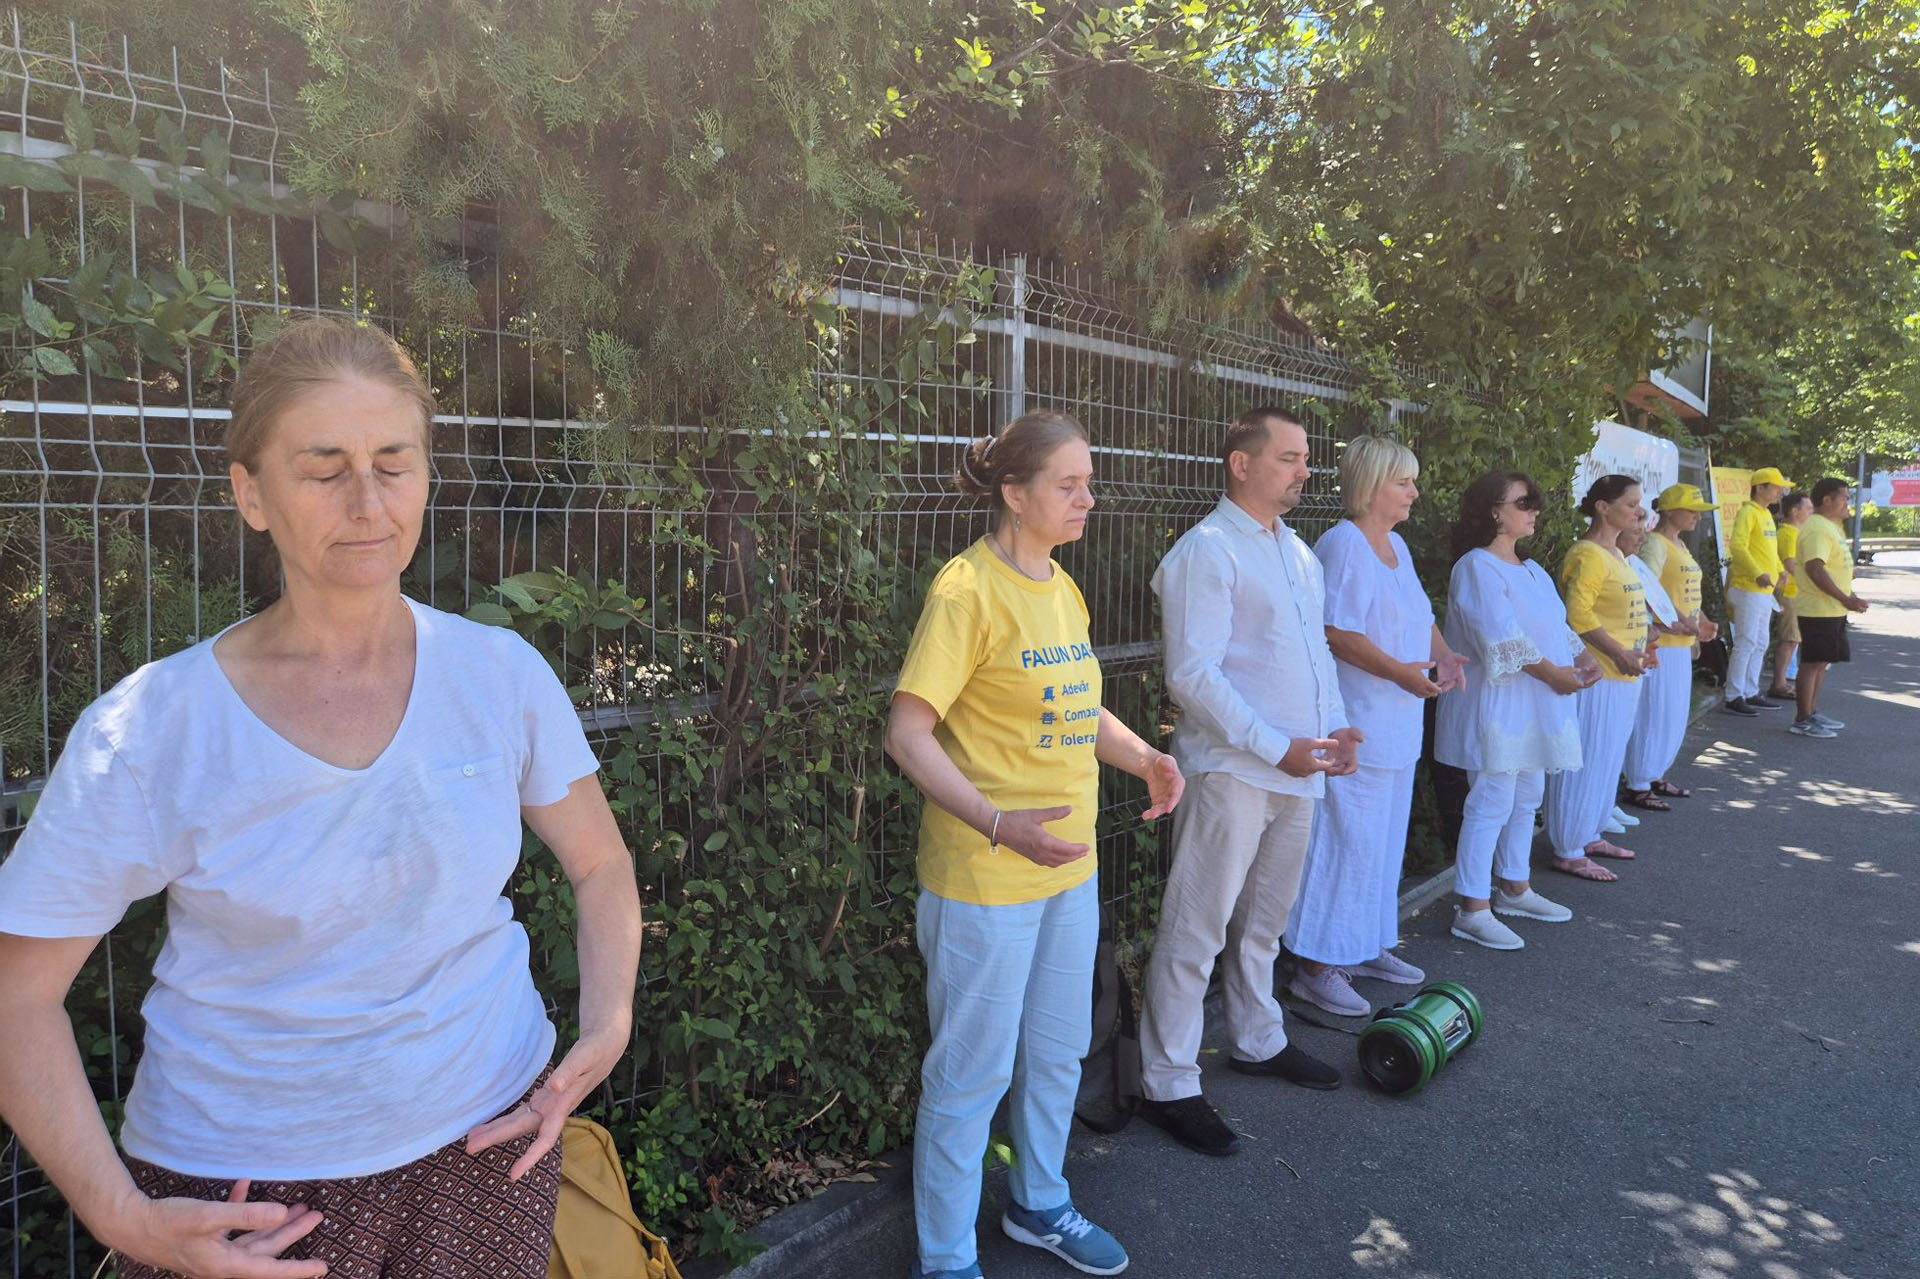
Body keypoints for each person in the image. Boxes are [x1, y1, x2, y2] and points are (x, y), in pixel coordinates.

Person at [0, 317, 643, 1279]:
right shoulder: (154, 729)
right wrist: (120, 1216)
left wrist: (607, 1025)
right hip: (245, 1199)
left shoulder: (498, 674)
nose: (367, 501)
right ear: (251, 493)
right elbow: (16, 996)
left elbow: (601, 864)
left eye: (393, 462)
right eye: (323, 468)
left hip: (490, 1150)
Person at [884, 409, 1183, 1279]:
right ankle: (945, 1258)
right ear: (1015, 494)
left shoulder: (1060, 586)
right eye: (1070, 484)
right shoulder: (965, 592)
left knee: (1056, 1053)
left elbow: (1077, 704)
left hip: (1068, 871)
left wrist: (1145, 757)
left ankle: (1039, 1203)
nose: (1089, 498)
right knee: (970, 1075)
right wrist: (997, 822)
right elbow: (907, 734)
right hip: (983, 878)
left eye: (1089, 482)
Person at [1137, 406, 1362, 1158]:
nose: (1305, 470)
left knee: (1265, 921)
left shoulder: (1296, 552)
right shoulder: (1207, 550)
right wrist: (1276, 747)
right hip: (1233, 770)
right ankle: (1168, 1081)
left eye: (1305, 458)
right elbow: (1192, 674)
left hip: (1298, 769)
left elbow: (1313, 655)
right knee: (1196, 927)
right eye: (1289, 457)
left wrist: (1337, 730)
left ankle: (1259, 1038)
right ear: (1242, 463)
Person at [1285, 436, 1467, 1015]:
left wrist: (1444, 656)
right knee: (1345, 844)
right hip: (1356, 725)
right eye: (1403, 482)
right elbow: (1338, 634)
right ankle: (1315, 966)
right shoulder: (1344, 543)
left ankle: (1361, 946)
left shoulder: (1396, 544)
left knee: (1381, 847)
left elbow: (1421, 617)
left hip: (1397, 725)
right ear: (1370, 485)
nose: (1414, 492)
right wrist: (1403, 675)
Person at [1434, 471, 1593, 950]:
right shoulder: (1476, 567)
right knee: (1491, 800)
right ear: (1493, 511)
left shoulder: (1532, 568)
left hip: (1534, 703)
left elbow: (1554, 626)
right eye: (1524, 502)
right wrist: (1556, 675)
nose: (1534, 510)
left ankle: (1515, 887)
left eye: (1534, 502)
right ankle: (1472, 907)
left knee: (1527, 795)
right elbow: (1500, 639)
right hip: (1498, 704)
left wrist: (1581, 657)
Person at [1542, 474, 1653, 883]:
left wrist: (1642, 644)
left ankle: (1588, 833)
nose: (1639, 513)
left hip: (1623, 677)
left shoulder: (1616, 553)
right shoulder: (1588, 554)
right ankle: (1568, 847)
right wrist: (1619, 653)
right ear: (1604, 508)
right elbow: (1578, 614)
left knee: (1607, 759)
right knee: (1587, 759)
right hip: (1599, 677)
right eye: (1631, 504)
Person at [1623, 484, 1720, 806]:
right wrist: (1676, 620)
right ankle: (1639, 781)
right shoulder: (1655, 544)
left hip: (1680, 642)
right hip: (1661, 644)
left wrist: (1701, 620)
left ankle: (1655, 773)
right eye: (1691, 510)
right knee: (1655, 712)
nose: (1697, 517)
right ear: (1669, 510)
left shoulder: (1679, 544)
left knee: (1673, 713)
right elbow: (1645, 589)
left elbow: (1685, 593)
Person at [1788, 478, 1869, 739]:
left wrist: (1850, 597)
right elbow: (1815, 568)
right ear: (1827, 500)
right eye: (1845, 498)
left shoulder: (1830, 527)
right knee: (1812, 662)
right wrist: (1845, 599)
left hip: (1832, 608)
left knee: (1822, 662)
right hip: (1817, 608)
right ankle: (1802, 719)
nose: (1848, 503)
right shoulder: (1817, 528)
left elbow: (1834, 569)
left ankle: (1811, 712)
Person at [1724, 465, 1791, 713]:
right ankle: (1734, 696)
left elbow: (1768, 551)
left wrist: (1780, 569)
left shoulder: (1765, 514)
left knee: (1760, 642)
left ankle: (1750, 691)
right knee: (1746, 642)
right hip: (1748, 588)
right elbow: (1738, 546)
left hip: (1763, 592)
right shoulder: (1748, 512)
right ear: (1760, 488)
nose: (1780, 492)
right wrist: (1757, 573)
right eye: (1776, 487)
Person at [1767, 491, 1813, 702]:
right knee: (1789, 637)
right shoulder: (1788, 533)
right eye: (1808, 508)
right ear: (1795, 511)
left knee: (1793, 638)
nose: (1811, 512)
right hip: (1788, 591)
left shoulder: (1796, 532)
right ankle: (1778, 683)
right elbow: (1790, 564)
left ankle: (1781, 682)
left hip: (1796, 591)